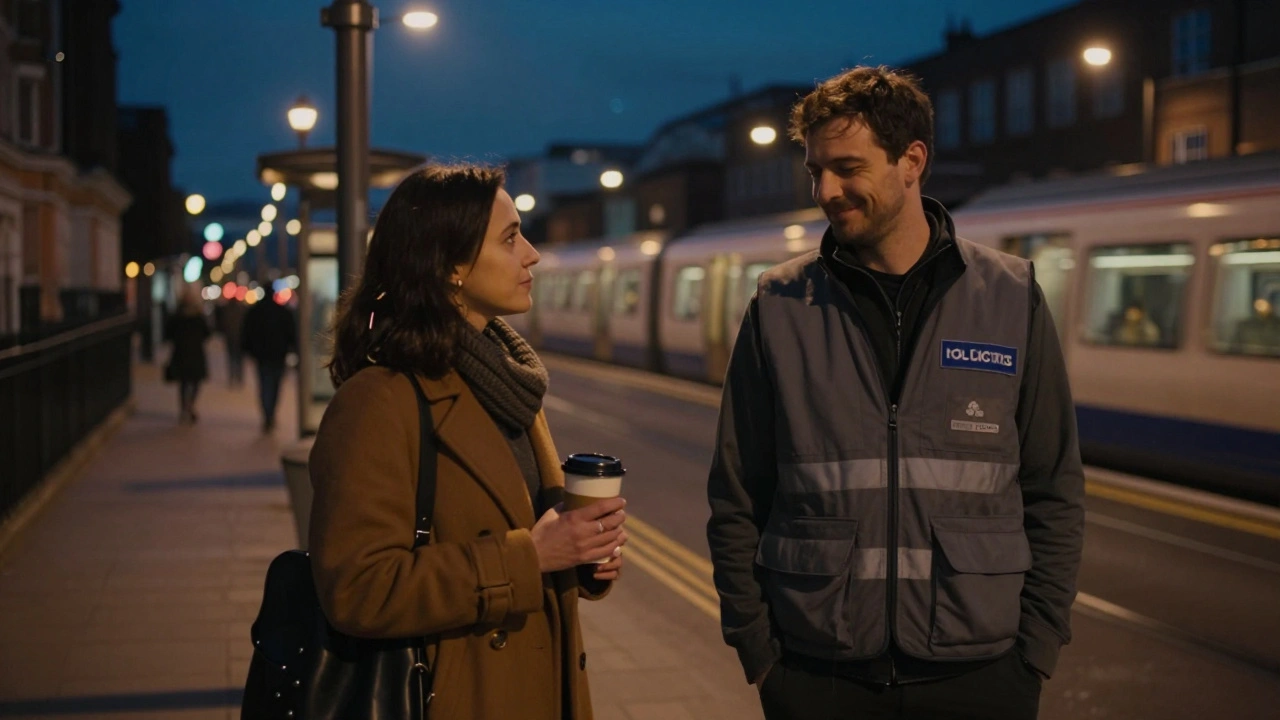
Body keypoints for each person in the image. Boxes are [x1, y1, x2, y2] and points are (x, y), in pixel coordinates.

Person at [706, 66, 1085, 720]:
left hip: (982, 674)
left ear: (912, 162)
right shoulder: (780, 303)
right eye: (815, 170)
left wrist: (1035, 651)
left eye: (848, 168)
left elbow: (1054, 485)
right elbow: (738, 493)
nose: (827, 190)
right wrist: (760, 654)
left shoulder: (1010, 295)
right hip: (818, 673)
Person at [308, 164, 627, 720]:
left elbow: (532, 537)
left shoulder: (508, 381)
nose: (532, 254)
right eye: (510, 238)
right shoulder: (380, 400)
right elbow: (357, 589)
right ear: (451, 266)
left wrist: (582, 556)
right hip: (452, 696)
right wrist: (531, 556)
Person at [240, 292, 297, 432]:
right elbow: (291, 332)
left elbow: (247, 332)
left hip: (262, 356)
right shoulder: (282, 312)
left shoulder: (255, 312)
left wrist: (249, 350)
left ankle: (267, 414)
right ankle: (271, 412)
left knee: (265, 384)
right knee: (276, 384)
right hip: (278, 355)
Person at [164, 288, 211, 424]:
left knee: (184, 383)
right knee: (194, 382)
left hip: (182, 353)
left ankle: (185, 406)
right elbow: (207, 333)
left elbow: (168, 334)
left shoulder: (178, 316)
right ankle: (189, 405)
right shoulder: (198, 316)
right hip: (195, 354)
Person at [215, 298, 248, 387]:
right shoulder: (241, 310)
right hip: (239, 338)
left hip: (231, 337)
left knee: (232, 358)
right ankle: (238, 377)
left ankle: (233, 377)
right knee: (239, 359)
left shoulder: (227, 310)